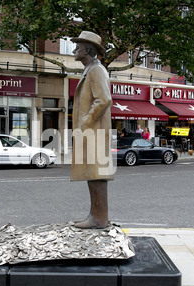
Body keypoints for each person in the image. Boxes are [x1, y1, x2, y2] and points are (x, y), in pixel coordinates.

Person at [70, 31, 114, 229]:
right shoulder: (91, 69)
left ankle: (99, 218)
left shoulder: (96, 70)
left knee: (97, 175)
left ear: (87, 49)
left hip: (94, 131)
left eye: (78, 47)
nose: (74, 50)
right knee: (92, 174)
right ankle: (95, 215)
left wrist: (85, 124)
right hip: (91, 132)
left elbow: (104, 100)